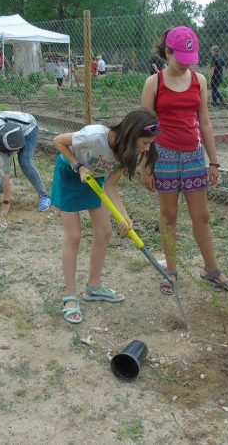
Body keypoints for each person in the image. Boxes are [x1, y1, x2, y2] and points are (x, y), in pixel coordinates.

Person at [140, 26, 228, 295]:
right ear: (168, 52)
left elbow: (204, 121)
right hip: (164, 156)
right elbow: (144, 128)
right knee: (168, 216)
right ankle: (170, 270)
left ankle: (212, 269)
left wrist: (213, 162)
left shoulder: (199, 81)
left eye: (189, 60)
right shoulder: (153, 83)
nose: (185, 65)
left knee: (201, 216)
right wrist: (148, 166)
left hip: (194, 155)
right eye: (180, 58)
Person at [51, 108, 160, 324]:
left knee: (105, 230)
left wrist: (124, 217)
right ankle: (70, 297)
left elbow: (111, 187)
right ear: (131, 135)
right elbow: (58, 141)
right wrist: (78, 165)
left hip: (95, 179)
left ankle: (93, 287)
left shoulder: (127, 153)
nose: (147, 149)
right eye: (145, 143)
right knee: (73, 236)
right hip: (69, 175)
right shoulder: (94, 136)